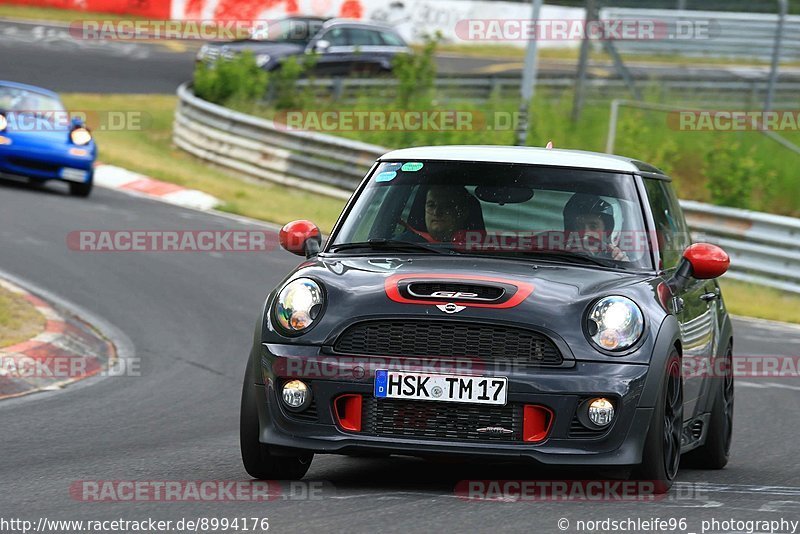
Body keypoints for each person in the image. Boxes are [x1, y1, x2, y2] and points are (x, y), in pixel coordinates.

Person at [562, 193, 629, 261]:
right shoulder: (556, 256)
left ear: (607, 231)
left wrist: (622, 265)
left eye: (593, 226)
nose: (585, 232)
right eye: (579, 226)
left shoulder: (615, 261)